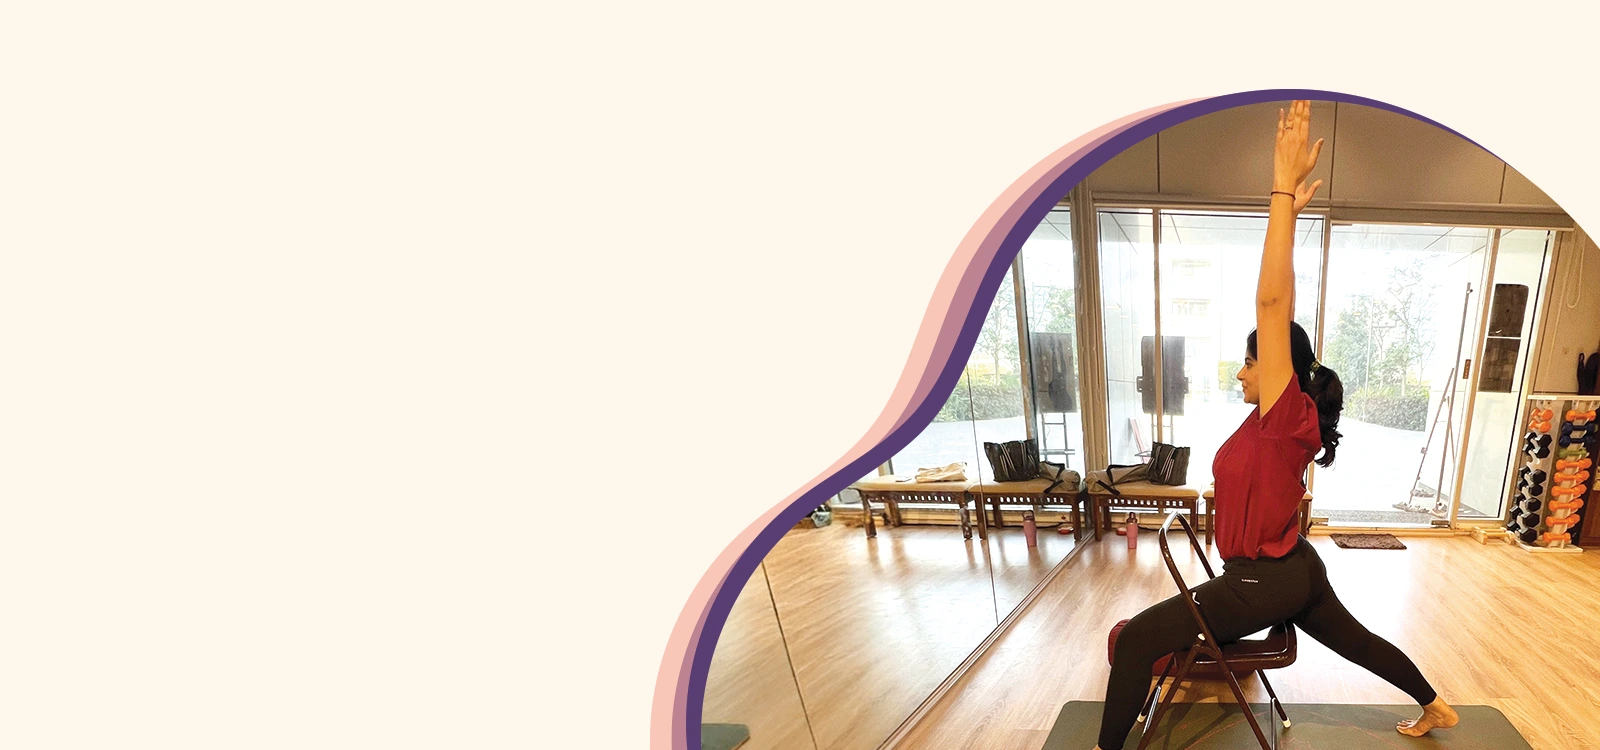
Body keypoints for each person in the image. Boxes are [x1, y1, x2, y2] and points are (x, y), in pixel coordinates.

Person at [1090, 101, 1458, 750]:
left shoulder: (1285, 413)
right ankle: (1436, 705)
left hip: (1261, 580)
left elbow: (1272, 300)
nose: (1240, 372)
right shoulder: (1278, 421)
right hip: (1291, 569)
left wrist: (1282, 192)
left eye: (1249, 361)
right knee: (1356, 641)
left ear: (1278, 367)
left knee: (1136, 639)